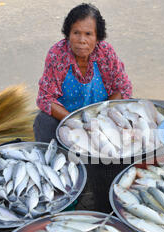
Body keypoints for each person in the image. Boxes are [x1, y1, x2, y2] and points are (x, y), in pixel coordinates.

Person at [34, 3, 132, 143]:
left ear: (97, 37)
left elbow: (122, 88)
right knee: (43, 121)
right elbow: (45, 98)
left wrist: (103, 119)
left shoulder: (105, 53)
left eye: (88, 34)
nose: (81, 40)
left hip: (101, 114)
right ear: (68, 34)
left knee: (131, 114)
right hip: (67, 117)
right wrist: (76, 124)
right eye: (76, 33)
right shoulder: (57, 54)